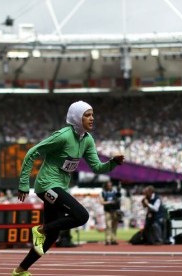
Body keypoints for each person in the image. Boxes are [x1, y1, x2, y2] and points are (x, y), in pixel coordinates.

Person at [12, 101, 124, 276]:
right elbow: (31, 152)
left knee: (53, 235)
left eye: (92, 114)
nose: (92, 118)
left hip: (59, 187)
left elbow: (96, 168)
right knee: (81, 216)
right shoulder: (63, 136)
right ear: (76, 118)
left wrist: (112, 164)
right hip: (46, 186)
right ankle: (39, 229)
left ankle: (20, 270)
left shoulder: (87, 140)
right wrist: (24, 184)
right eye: (87, 115)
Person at [99, 181, 121, 245]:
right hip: (108, 211)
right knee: (108, 226)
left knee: (115, 226)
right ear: (106, 186)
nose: (110, 187)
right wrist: (110, 202)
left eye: (111, 185)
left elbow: (119, 199)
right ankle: (107, 240)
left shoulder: (115, 192)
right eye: (108, 185)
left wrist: (119, 190)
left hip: (115, 210)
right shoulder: (103, 193)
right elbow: (102, 202)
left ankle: (113, 239)